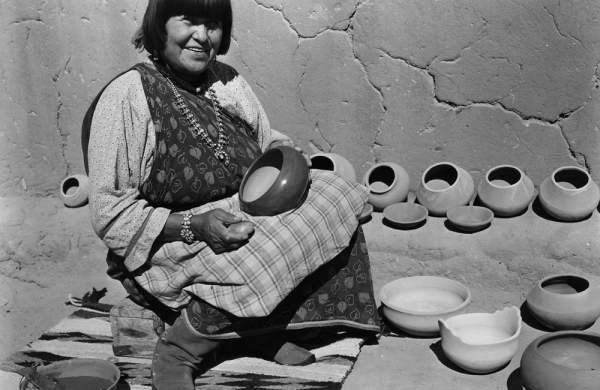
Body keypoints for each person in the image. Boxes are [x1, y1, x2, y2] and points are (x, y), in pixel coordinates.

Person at [83, 0, 381, 389]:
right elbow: (110, 211)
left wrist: (290, 159)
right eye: (188, 20)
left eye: (213, 24)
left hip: (237, 214)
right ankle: (180, 349)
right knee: (269, 250)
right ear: (159, 25)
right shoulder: (129, 96)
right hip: (171, 239)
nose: (202, 36)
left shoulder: (226, 81)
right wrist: (195, 224)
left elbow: (264, 141)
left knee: (339, 193)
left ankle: (260, 331)